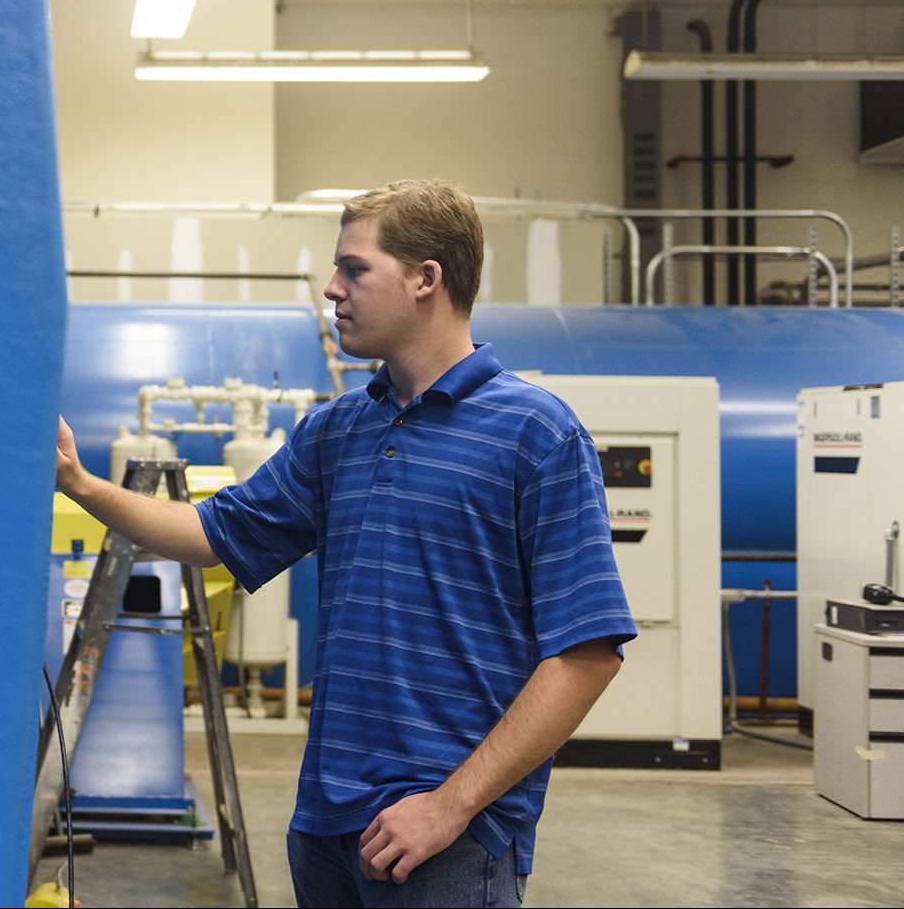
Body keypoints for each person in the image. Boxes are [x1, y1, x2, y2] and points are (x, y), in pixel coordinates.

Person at [54, 179, 636, 908]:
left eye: (354, 268)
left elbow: (587, 654)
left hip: (448, 841)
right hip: (326, 829)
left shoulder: (537, 435)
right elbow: (213, 533)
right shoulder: (338, 431)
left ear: (428, 277)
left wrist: (451, 805)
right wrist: (79, 482)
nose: (332, 288)